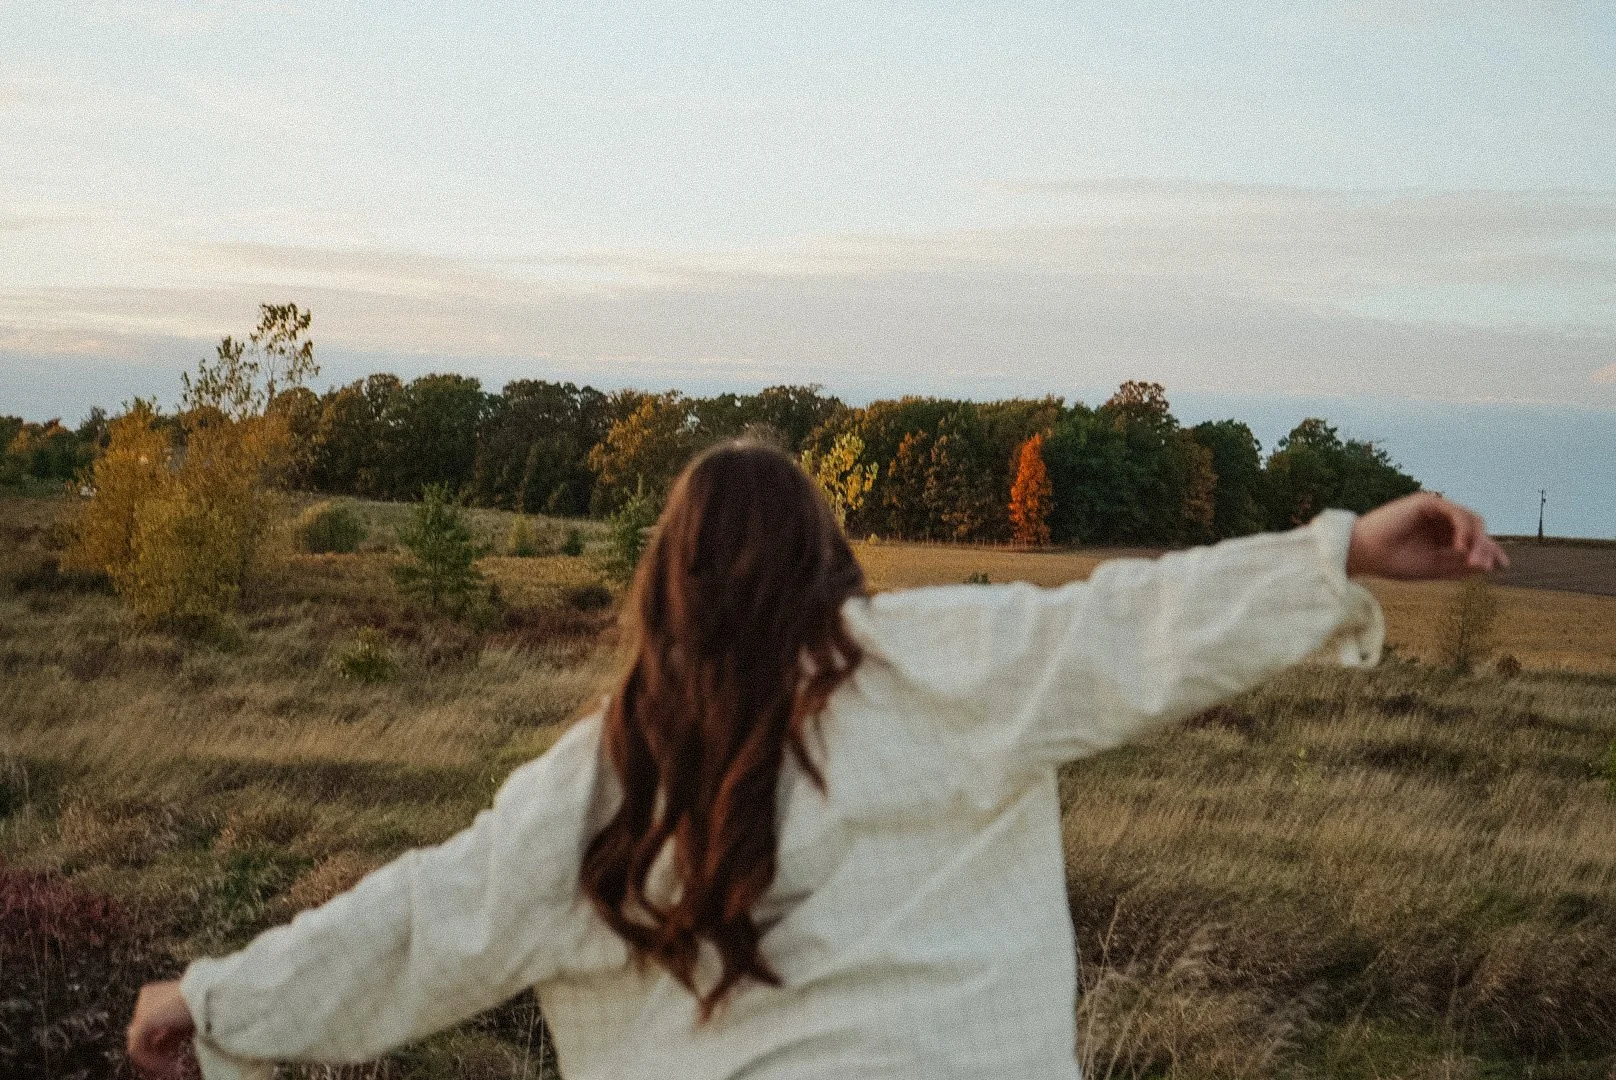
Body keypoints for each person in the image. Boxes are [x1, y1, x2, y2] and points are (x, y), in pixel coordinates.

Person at [127, 440, 1507, 1080]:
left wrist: (215, 998)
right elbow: (1130, 626)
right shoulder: (943, 661)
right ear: (828, 556)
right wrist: (1340, 550)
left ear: (662, 583)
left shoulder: (607, 776)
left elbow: (424, 921)